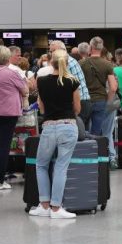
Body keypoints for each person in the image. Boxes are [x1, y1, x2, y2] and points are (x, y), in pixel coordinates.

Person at [29, 49, 81, 220]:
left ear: (51, 62)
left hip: (49, 127)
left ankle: (44, 206)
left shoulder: (41, 81)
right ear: (67, 62)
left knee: (41, 165)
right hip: (68, 127)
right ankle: (56, 208)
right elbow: (77, 108)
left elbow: (42, 108)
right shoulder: (72, 81)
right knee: (61, 167)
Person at [0, 45, 28, 190]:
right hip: (8, 113)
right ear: (8, 58)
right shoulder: (12, 73)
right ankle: (0, 180)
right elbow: (25, 90)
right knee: (4, 146)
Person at [80, 37, 118, 167]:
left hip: (84, 101)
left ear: (90, 48)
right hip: (101, 101)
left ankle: (83, 159)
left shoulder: (81, 63)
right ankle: (96, 161)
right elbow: (113, 87)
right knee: (97, 132)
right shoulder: (107, 64)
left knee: (83, 131)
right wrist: (108, 101)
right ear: (101, 49)